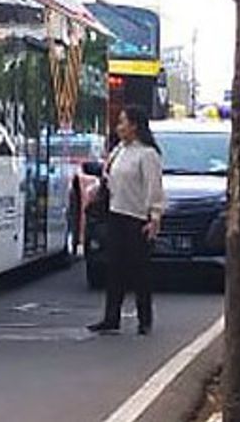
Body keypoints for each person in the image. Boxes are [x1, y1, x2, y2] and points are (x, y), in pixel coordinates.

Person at [88, 105, 167, 336]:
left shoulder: (147, 155)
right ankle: (111, 318)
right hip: (116, 214)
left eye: (123, 122)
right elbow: (108, 178)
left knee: (139, 271)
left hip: (137, 218)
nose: (119, 127)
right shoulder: (119, 150)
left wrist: (154, 217)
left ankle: (145, 319)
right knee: (115, 269)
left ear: (134, 125)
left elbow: (155, 189)